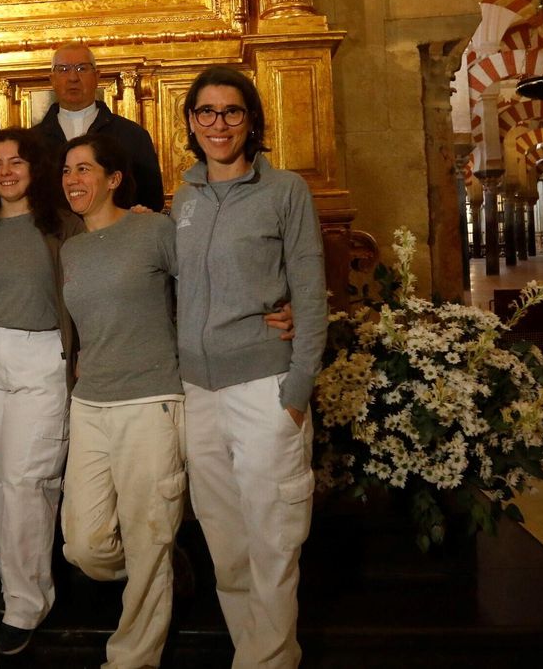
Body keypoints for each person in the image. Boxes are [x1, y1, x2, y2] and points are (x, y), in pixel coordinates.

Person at [172, 66, 327, 669]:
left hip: (265, 386)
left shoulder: (284, 189)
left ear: (251, 120)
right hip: (198, 390)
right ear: (190, 121)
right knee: (226, 542)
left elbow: (309, 292)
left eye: (231, 111)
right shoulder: (182, 199)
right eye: (206, 112)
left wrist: (297, 386)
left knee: (273, 536)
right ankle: (258, 653)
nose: (219, 123)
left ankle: (267, 661)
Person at [58, 133, 185, 669]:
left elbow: (202, 291)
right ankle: (157, 563)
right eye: (67, 171)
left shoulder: (154, 229)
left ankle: (132, 658)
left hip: (150, 398)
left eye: (85, 169)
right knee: (83, 545)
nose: (72, 180)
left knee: (148, 533)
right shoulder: (71, 246)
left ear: (113, 178)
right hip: (89, 402)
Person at [0, 128, 80, 656]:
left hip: (41, 355)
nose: (6, 171)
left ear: (36, 169)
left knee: (27, 480)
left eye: (17, 162)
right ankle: (16, 585)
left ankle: (26, 603)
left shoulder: (62, 225)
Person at [34, 41, 165, 212]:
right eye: (63, 70)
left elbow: (151, 200)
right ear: (52, 79)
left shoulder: (131, 135)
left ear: (97, 76)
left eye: (82, 68)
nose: (73, 77)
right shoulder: (33, 141)